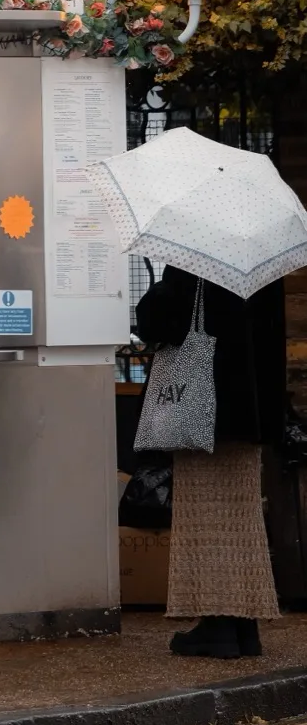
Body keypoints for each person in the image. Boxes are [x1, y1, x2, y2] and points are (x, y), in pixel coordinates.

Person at [134, 265, 286, 659]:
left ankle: (217, 626)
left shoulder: (197, 256)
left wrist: (154, 291)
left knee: (206, 518)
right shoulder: (262, 258)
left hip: (205, 407)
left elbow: (159, 321)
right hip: (251, 411)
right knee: (240, 517)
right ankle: (244, 626)